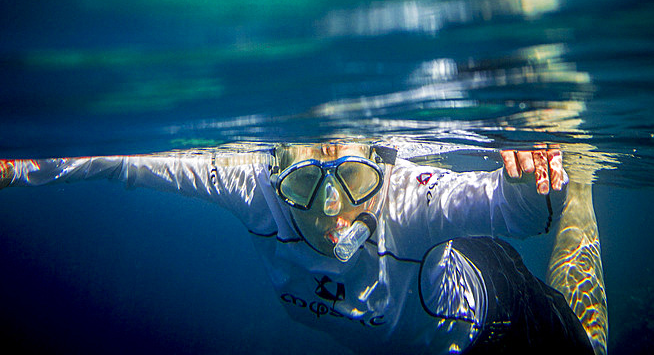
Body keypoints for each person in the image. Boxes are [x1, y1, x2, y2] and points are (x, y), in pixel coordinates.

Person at [0, 142, 606, 354]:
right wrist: (20, 166)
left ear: (383, 168)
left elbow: (509, 212)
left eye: (356, 179)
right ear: (274, 176)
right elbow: (126, 162)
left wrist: (531, 189)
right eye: (304, 184)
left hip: (495, 323)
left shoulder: (410, 200)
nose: (331, 211)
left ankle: (584, 197)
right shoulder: (250, 187)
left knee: (583, 340)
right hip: (411, 334)